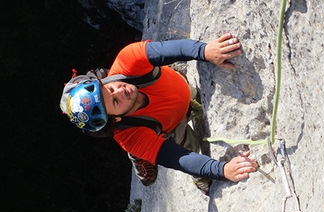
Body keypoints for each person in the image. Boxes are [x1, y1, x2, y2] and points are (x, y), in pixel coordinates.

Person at [60, 33, 257, 194]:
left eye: (109, 89)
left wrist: (204, 50)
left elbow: (168, 49)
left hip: (180, 89)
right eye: (115, 101)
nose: (120, 91)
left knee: (185, 88)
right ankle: (158, 165)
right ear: (116, 119)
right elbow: (178, 158)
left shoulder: (127, 61)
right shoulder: (131, 137)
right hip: (172, 126)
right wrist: (222, 171)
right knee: (194, 149)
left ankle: (178, 81)